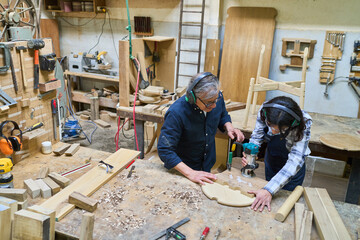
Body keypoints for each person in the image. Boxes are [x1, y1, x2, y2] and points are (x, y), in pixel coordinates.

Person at [158, 72, 245, 185]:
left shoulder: (215, 98)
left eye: (215, 100)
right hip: (183, 170)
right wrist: (190, 173)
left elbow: (222, 113)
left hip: (206, 164)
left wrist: (228, 126)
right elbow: (165, 150)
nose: (214, 106)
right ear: (193, 97)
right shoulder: (176, 113)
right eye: (209, 103)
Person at [242, 96, 312, 212]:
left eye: (279, 129)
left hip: (292, 168)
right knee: (269, 199)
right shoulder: (266, 112)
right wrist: (251, 155)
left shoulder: (303, 122)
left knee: (284, 204)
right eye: (270, 126)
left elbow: (295, 160)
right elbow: (257, 136)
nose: (273, 132)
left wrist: (269, 190)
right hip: (273, 158)